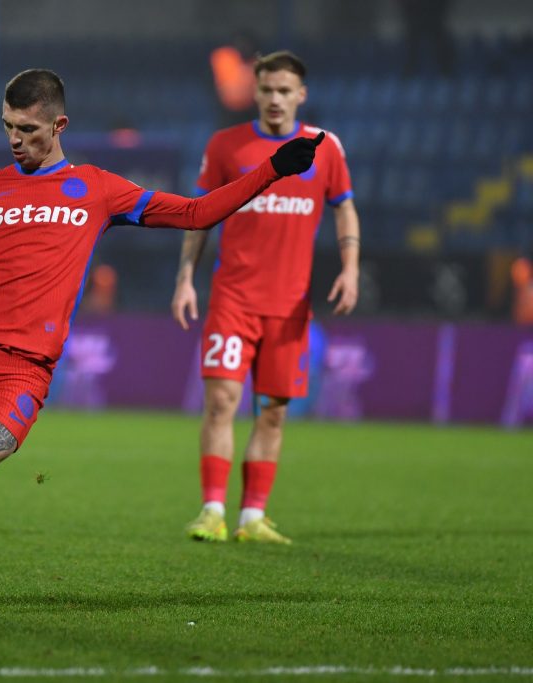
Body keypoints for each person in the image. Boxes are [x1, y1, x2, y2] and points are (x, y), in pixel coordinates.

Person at [0, 68, 323, 614]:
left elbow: (196, 213)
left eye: (27, 129)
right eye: (7, 127)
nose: (14, 139)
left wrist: (272, 169)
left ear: (59, 126)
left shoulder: (98, 189)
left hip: (21, 371)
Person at [171, 51, 360, 545]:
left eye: (284, 90)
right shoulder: (226, 145)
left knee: (273, 411)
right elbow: (199, 215)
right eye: (267, 89)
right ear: (254, 92)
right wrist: (185, 278)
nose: (275, 98)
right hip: (232, 299)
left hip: (289, 306)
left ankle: (253, 516)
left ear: (301, 94)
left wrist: (351, 268)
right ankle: (212, 510)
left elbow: (344, 208)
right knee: (221, 403)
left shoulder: (324, 148)